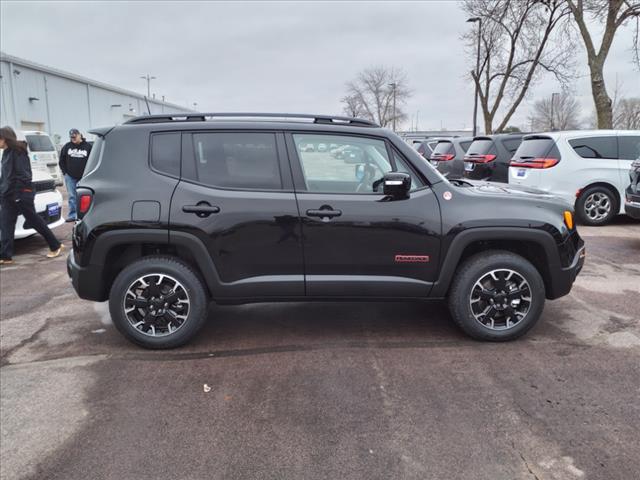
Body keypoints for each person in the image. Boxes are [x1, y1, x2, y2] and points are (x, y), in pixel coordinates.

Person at [0, 126, 64, 265]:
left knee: (34, 220)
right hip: (7, 196)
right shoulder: (6, 153)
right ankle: (5, 256)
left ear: (5, 138)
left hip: (21, 194)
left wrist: (18, 194)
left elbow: (24, 176)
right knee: (6, 224)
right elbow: (5, 177)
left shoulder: (18, 152)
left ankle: (56, 245)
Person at [59, 128, 91, 222]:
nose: (73, 139)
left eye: (75, 136)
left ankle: (85, 215)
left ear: (80, 135)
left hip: (84, 177)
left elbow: (92, 161)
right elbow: (61, 161)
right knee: (72, 197)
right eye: (71, 137)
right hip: (70, 177)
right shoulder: (67, 146)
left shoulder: (88, 146)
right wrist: (65, 173)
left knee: (84, 196)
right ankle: (73, 215)